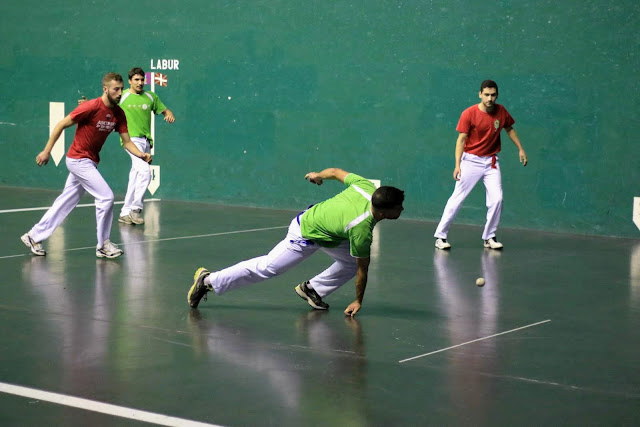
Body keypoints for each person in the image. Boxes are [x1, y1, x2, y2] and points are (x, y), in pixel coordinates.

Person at [187, 168, 405, 317]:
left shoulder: (365, 186)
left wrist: (318, 175)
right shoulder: (361, 230)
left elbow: (337, 173)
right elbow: (362, 271)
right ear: (385, 211)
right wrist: (358, 301)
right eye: (398, 207)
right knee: (269, 267)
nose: (402, 209)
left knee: (349, 261)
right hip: (305, 233)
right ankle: (209, 281)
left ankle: (313, 290)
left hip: (331, 233)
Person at [21, 72, 152, 259]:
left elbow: (127, 141)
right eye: (116, 89)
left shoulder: (119, 113)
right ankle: (103, 245)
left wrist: (141, 154)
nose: (119, 93)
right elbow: (61, 125)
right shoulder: (90, 107)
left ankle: (33, 236)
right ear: (105, 89)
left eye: (121, 89)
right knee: (106, 197)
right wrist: (46, 151)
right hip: (78, 160)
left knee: (66, 200)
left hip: (89, 161)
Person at [434, 80, 527, 250]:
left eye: (493, 95)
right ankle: (440, 237)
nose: (490, 98)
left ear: (496, 95)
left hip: (491, 161)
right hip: (470, 161)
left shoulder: (501, 111)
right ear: (480, 94)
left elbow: (510, 129)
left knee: (497, 199)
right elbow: (461, 140)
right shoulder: (469, 113)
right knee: (457, 199)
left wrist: (520, 149)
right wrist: (457, 165)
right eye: (486, 95)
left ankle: (489, 237)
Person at [79, 67, 174, 225]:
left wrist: (168, 114)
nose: (140, 83)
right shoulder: (122, 96)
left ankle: (124, 213)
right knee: (144, 171)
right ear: (130, 81)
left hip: (146, 141)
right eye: (136, 80)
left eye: (142, 80)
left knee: (135, 176)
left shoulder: (151, 96)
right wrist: (86, 103)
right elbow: (103, 103)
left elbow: (164, 110)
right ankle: (136, 209)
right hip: (131, 140)